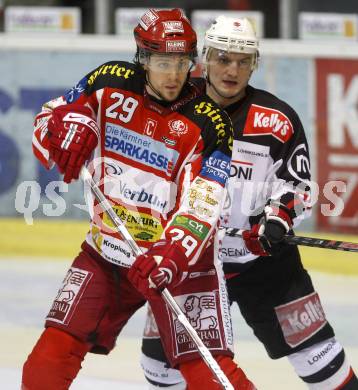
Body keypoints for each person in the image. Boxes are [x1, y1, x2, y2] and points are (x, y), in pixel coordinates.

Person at [22, 9, 256, 390]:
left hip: (178, 266)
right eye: (164, 61)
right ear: (144, 59)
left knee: (212, 377)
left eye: (182, 62)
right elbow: (48, 122)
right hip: (106, 254)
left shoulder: (210, 122)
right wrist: (65, 126)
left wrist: (173, 255)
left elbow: (204, 202)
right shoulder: (107, 82)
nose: (174, 74)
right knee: (45, 366)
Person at [140, 16, 358, 390]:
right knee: (160, 367)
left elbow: (297, 185)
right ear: (204, 59)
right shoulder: (172, 106)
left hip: (265, 266)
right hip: (193, 264)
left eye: (244, 60)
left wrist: (276, 222)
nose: (233, 70)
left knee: (319, 358)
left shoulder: (276, 119)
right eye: (223, 58)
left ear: (254, 64)